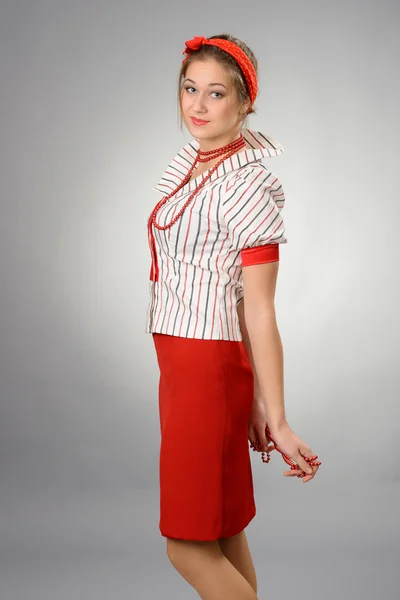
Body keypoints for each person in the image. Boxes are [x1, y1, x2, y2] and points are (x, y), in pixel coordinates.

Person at [145, 33, 321, 600]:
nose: (196, 105)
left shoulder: (245, 185)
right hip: (189, 371)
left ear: (245, 103)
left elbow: (260, 308)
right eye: (189, 88)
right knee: (222, 531)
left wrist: (279, 415)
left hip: (206, 372)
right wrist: (253, 403)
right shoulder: (193, 167)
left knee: (187, 546)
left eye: (215, 93)